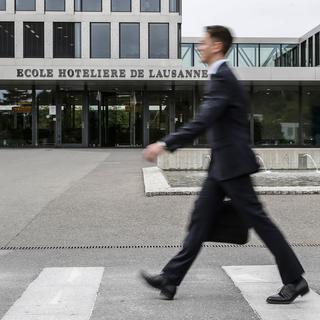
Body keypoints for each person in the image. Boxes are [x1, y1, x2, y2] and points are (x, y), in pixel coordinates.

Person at [141, 25, 309, 304]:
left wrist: (165, 143)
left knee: (260, 222)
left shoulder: (223, 79)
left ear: (217, 46)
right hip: (222, 165)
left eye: (203, 43)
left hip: (232, 165)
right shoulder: (220, 78)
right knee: (200, 221)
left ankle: (294, 280)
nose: (199, 47)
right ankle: (170, 279)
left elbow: (203, 120)